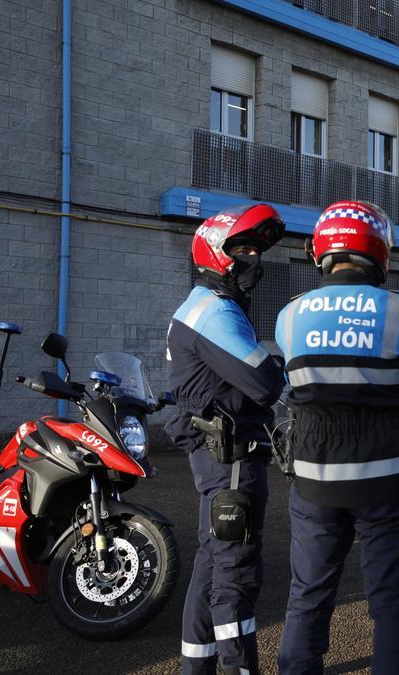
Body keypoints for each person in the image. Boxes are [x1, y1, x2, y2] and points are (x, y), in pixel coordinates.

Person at [274, 201, 399, 673]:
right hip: (388, 479)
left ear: (320, 250)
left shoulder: (291, 315)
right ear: (380, 252)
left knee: (307, 596)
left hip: (312, 479)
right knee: (390, 607)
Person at [166, 203, 286, 675]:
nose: (252, 258)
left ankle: (196, 667)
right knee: (235, 575)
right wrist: (274, 364)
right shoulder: (214, 311)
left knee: (212, 565)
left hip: (216, 456)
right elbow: (264, 383)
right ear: (215, 254)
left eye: (257, 249)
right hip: (231, 458)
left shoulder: (200, 307)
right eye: (241, 249)